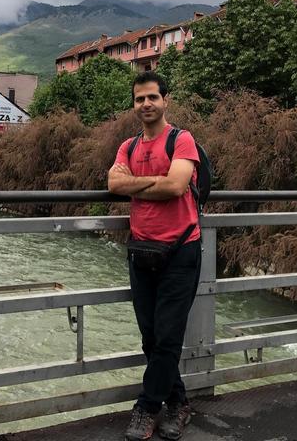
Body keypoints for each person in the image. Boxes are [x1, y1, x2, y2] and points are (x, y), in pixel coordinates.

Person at [108, 71, 201, 441]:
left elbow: (177, 185)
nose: (146, 104)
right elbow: (113, 184)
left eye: (152, 97)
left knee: (167, 337)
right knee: (151, 338)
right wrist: (155, 184)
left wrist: (138, 184)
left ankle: (147, 408)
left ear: (166, 100)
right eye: (139, 99)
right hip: (141, 250)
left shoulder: (182, 140)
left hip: (181, 249)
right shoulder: (128, 147)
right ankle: (178, 403)